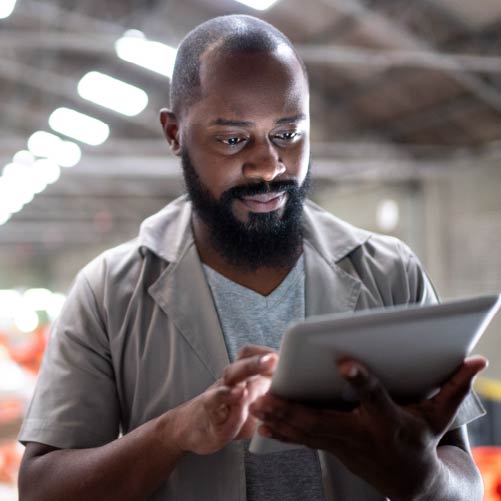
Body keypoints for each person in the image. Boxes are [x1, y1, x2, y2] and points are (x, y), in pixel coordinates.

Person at [18, 14, 486, 501]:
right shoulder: (108, 292)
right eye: (233, 139)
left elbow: (464, 480)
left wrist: (423, 478)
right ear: (174, 132)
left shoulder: (391, 273)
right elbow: (41, 488)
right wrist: (175, 432)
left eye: (288, 134)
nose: (269, 166)